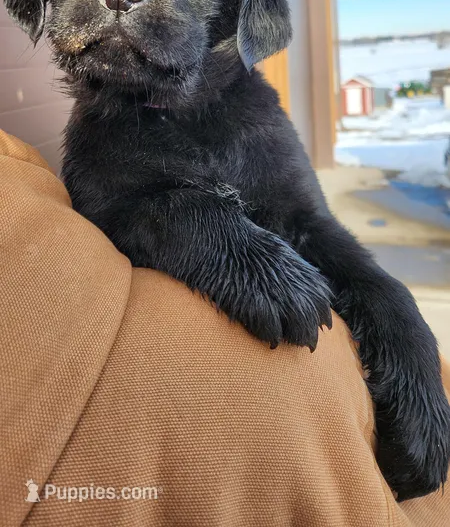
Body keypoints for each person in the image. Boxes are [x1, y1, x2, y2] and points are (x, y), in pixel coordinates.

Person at [1, 130, 449, 527]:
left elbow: (311, 228)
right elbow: (113, 214)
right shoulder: (101, 144)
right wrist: (202, 230)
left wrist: (401, 329)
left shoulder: (262, 131)